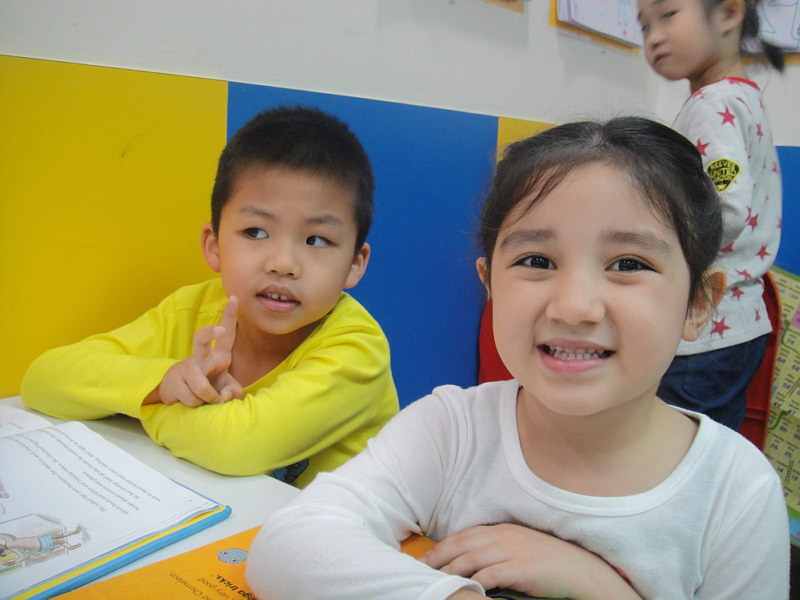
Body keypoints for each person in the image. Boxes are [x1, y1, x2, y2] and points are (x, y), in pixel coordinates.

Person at [244, 118, 789, 599]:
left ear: (699, 304)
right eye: (536, 260)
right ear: (489, 285)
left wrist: (601, 588)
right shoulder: (453, 429)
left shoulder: (734, 491)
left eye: (628, 264)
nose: (573, 306)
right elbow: (290, 545)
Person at [21, 106, 399, 488]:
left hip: (328, 525)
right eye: (255, 232)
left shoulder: (357, 350)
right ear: (214, 246)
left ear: (355, 263)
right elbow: (44, 379)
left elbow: (237, 445)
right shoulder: (193, 310)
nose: (283, 264)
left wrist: (147, 406)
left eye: (316, 240)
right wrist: (163, 382)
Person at [637, 0, 784, 429]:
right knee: (714, 443)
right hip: (738, 322)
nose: (654, 37)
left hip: (705, 332)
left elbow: (726, 210)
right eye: (645, 26)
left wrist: (650, 240)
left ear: (728, 13)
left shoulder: (712, 104)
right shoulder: (743, 96)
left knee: (680, 447)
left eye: (668, 15)